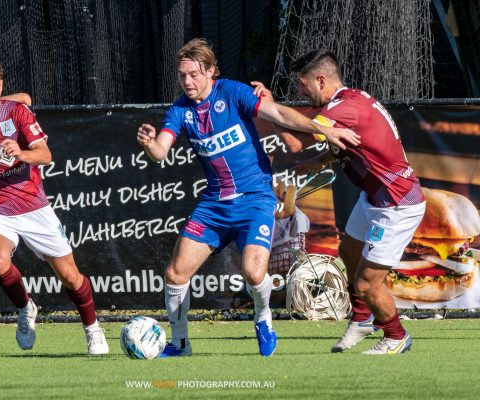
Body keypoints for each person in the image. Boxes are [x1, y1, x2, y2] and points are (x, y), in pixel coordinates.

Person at [136, 38, 359, 358]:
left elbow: (279, 114)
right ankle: (180, 343)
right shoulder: (180, 110)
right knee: (175, 274)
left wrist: (324, 131)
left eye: (194, 74)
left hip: (255, 199)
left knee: (254, 274)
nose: (187, 81)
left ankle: (263, 317)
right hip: (214, 204)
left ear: (212, 71)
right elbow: (160, 151)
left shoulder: (233, 92)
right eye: (182, 75)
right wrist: (149, 145)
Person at [0, 55, 108, 356]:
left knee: (69, 276)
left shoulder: (17, 112)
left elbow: (45, 154)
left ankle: (93, 328)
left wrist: (21, 154)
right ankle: (26, 308)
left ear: (2, 87)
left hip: (33, 204)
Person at [257, 49, 425, 354]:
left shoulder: (344, 109)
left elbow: (294, 142)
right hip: (373, 198)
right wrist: (318, 162)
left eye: (302, 84)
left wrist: (266, 108)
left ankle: (397, 336)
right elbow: (345, 144)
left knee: (365, 285)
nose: (299, 91)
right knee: (348, 250)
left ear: (320, 80)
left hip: (396, 206)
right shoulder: (351, 99)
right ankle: (362, 320)